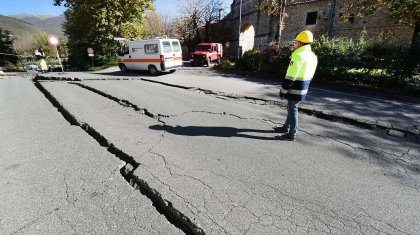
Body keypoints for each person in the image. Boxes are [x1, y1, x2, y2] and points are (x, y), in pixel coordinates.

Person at [275, 30, 318, 141]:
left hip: (294, 88)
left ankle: (291, 134)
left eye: (296, 42)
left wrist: (283, 91)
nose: (295, 44)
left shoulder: (298, 56)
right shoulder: (313, 56)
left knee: (293, 109)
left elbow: (291, 76)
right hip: (304, 87)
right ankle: (285, 127)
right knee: (291, 108)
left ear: (300, 42)